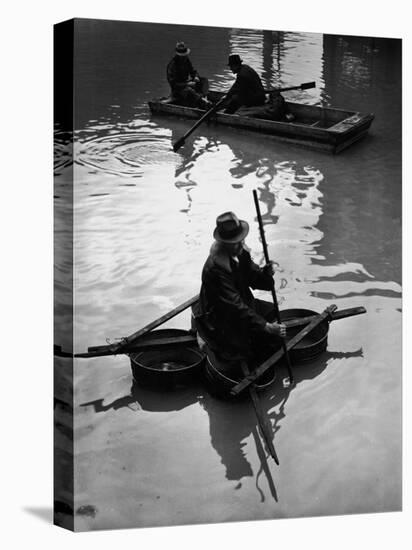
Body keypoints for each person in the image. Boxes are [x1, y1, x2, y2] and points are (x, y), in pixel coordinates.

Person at [192, 211, 286, 365]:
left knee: (272, 312)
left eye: (241, 240)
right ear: (224, 244)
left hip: (241, 304)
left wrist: (266, 274)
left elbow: (255, 279)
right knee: (244, 348)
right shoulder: (215, 269)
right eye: (235, 242)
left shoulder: (241, 253)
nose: (240, 245)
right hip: (222, 316)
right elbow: (234, 306)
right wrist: (266, 326)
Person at [166, 41, 210, 108]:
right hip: (178, 90)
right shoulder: (173, 65)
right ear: (178, 55)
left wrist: (195, 76)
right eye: (182, 56)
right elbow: (173, 84)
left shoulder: (186, 60)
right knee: (188, 90)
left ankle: (201, 98)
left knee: (203, 80)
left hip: (186, 84)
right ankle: (202, 101)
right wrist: (187, 84)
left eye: (185, 55)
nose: (184, 57)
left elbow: (192, 71)